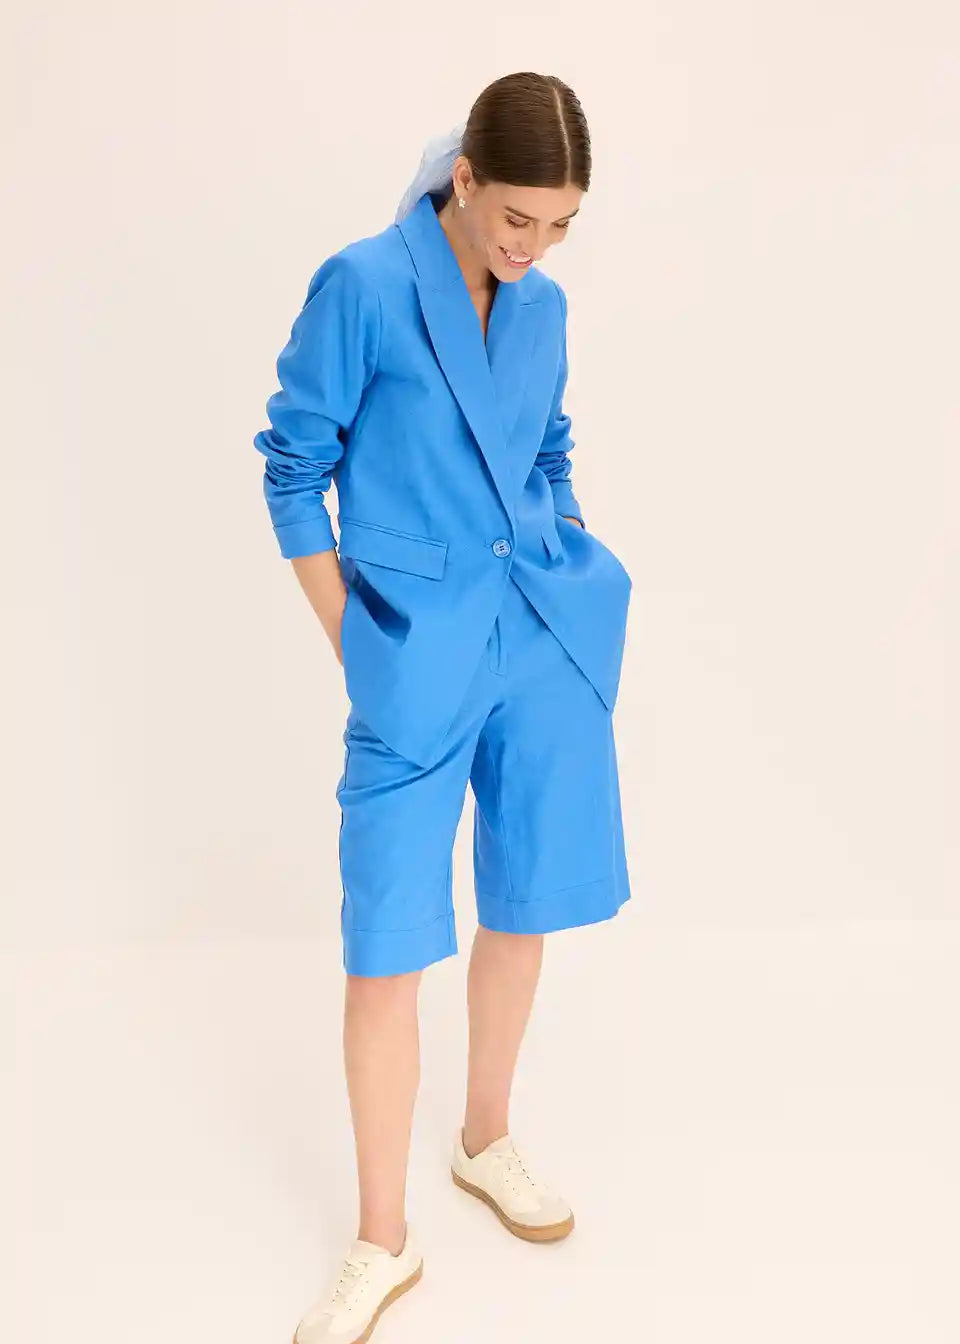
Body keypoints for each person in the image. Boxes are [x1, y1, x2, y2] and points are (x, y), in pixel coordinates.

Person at [253, 70, 633, 1344]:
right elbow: (293, 467)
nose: (534, 247)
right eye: (518, 216)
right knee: (385, 947)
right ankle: (381, 1238)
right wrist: (352, 637)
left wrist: (568, 545)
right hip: (411, 652)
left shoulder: (546, 307)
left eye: (560, 225)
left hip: (538, 634)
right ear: (463, 178)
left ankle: (485, 1137)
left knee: (523, 904)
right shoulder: (363, 285)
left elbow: (548, 444)